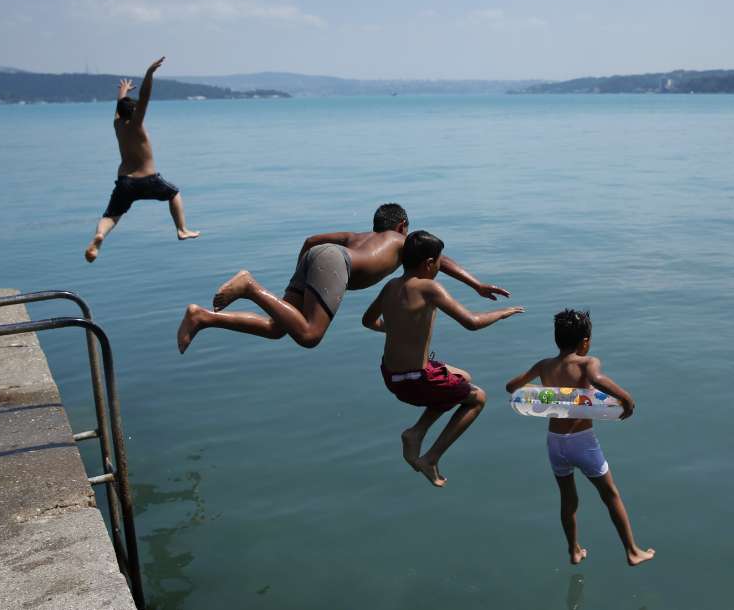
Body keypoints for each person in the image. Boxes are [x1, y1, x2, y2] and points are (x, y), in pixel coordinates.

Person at [175, 203, 510, 352]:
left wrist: (301, 282)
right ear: (402, 227)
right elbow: (440, 259)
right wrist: (476, 284)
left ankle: (202, 317)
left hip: (319, 256)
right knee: (309, 335)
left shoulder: (357, 235)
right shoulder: (400, 241)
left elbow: (310, 241)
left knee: (280, 328)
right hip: (335, 263)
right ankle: (249, 286)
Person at [362, 230, 524, 487]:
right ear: (429, 263)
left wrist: (398, 326)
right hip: (415, 380)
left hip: (392, 375)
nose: (440, 266)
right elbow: (471, 322)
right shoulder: (430, 288)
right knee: (477, 398)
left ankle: (417, 433)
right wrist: (502, 313)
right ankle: (430, 456)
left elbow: (368, 320)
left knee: (462, 378)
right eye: (438, 261)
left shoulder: (390, 286)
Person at [504, 309, 655, 567]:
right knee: (610, 495)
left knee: (568, 498)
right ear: (585, 341)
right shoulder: (587, 363)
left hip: (555, 442)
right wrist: (626, 399)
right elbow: (598, 380)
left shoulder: (544, 365)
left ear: (556, 339)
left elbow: (512, 387)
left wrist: (542, 392)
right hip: (582, 441)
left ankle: (574, 550)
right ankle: (632, 551)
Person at [84, 56, 200, 262]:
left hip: (125, 182)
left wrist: (123, 92)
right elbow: (145, 96)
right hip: (147, 179)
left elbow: (119, 107)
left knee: (111, 216)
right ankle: (182, 229)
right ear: (135, 112)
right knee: (174, 193)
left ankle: (100, 235)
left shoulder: (117, 124)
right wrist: (149, 74)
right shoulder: (136, 124)